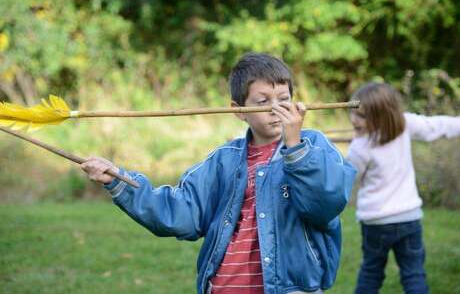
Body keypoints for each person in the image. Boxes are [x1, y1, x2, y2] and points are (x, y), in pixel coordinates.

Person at [81, 52, 356, 294]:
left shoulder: (313, 147)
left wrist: (295, 148)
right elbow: (181, 213)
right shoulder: (224, 160)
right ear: (239, 111)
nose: (276, 109)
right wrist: (118, 180)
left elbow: (324, 205)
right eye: (262, 101)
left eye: (284, 99)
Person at [347, 82, 460, 294]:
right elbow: (436, 126)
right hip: (408, 218)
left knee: (371, 273)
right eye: (353, 113)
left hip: (376, 222)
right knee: (414, 274)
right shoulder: (405, 123)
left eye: (361, 116)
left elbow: (350, 176)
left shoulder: (359, 146)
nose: (354, 120)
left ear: (381, 116)